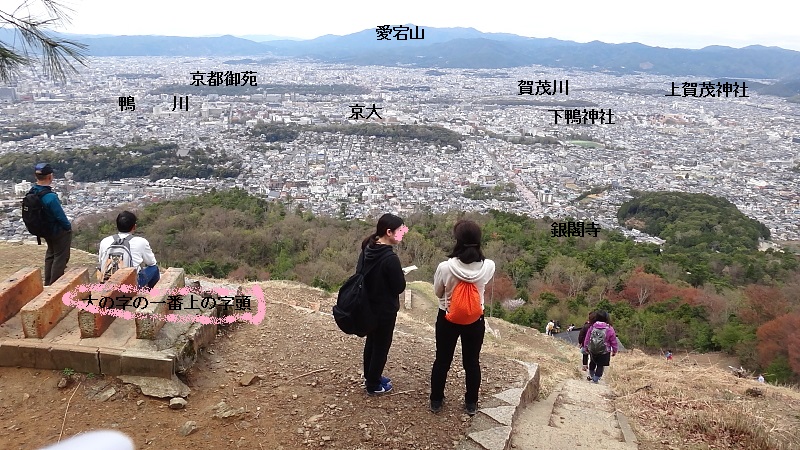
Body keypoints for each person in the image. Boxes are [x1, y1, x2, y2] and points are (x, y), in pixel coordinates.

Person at [430, 220, 495, 416]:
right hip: (475, 319)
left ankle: (436, 400)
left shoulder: (445, 267)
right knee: (472, 362)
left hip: (447, 317)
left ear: (457, 240)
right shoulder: (488, 266)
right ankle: (471, 403)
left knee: (442, 360)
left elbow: (438, 292)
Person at [360, 213, 407, 396]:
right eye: (400, 231)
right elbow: (399, 287)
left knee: (371, 341)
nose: (402, 233)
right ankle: (373, 384)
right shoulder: (390, 258)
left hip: (367, 304)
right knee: (381, 346)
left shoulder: (368, 247)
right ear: (389, 232)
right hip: (385, 309)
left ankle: (371, 376)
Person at [30, 163, 72, 286]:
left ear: (36, 176)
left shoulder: (33, 192)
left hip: (44, 230)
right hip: (56, 231)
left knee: (51, 254)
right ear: (50, 176)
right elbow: (60, 216)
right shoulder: (50, 197)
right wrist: (68, 228)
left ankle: (48, 283)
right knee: (60, 257)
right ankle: (55, 285)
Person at [98, 211, 160, 289]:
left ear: (117, 225)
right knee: (154, 268)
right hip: (129, 286)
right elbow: (151, 263)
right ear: (134, 227)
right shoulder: (141, 242)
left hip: (107, 284)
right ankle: (150, 293)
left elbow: (101, 262)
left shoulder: (105, 241)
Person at [582, 310, 618, 383]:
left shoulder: (592, 327)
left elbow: (587, 338)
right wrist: (614, 350)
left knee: (592, 362)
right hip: (604, 351)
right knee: (600, 365)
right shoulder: (609, 328)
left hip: (593, 349)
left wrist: (586, 347)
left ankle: (592, 375)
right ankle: (596, 379)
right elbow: (613, 341)